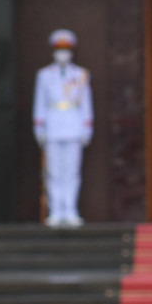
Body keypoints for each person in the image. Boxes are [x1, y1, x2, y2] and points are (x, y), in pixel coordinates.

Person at [34, 28, 93, 227]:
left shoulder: (81, 75)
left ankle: (70, 209)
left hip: (73, 125)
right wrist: (39, 127)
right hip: (52, 126)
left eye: (66, 49)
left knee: (72, 171)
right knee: (53, 171)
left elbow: (86, 103)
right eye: (59, 49)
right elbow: (40, 103)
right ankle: (56, 210)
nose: (62, 53)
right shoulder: (44, 75)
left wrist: (87, 127)